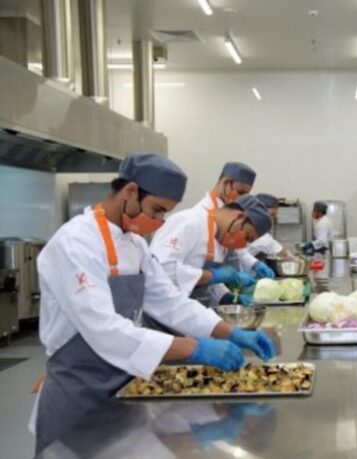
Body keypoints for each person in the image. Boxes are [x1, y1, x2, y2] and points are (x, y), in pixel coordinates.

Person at [32, 154, 275, 453]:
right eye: (157, 210)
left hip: (124, 388)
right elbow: (105, 330)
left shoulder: (135, 245)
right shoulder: (75, 243)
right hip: (77, 400)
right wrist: (194, 348)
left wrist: (229, 332)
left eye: (165, 213)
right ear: (130, 191)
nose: (159, 222)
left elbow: (171, 301)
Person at [150, 194, 273, 307]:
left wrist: (226, 297)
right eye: (247, 237)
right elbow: (160, 269)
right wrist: (213, 275)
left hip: (188, 315)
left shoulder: (220, 239)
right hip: (161, 315)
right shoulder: (189, 222)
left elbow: (207, 287)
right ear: (240, 216)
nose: (243, 244)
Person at [191, 162, 276, 279]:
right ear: (226, 183)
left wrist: (254, 264)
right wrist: (217, 277)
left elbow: (236, 249)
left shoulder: (231, 215)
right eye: (240, 192)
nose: (240, 198)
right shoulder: (200, 214)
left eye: (245, 195)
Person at [247, 193, 295, 261]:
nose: (271, 220)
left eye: (274, 216)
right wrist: (296, 260)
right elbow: (281, 252)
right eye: (271, 215)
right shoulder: (256, 232)